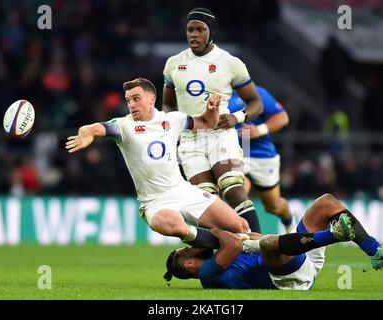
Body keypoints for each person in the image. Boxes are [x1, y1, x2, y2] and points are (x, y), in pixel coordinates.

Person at [66, 78, 250, 249]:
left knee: (240, 225)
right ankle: (227, 244)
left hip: (182, 191)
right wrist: (87, 133)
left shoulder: (173, 120)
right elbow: (96, 128)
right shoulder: (123, 126)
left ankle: (262, 258)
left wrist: (212, 109)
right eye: (128, 100)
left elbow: (206, 122)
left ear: (151, 99)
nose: (131, 104)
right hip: (155, 202)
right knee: (176, 224)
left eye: (136, 99)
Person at [164, 193, 383, 290]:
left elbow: (247, 230)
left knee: (326, 202)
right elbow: (235, 244)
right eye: (188, 250)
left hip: (297, 256)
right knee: (270, 243)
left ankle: (376, 253)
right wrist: (215, 229)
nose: (194, 246)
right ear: (187, 265)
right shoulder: (208, 274)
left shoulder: (215, 258)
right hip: (288, 279)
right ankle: (335, 235)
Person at [162, 7, 264, 232]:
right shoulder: (173, 64)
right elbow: (168, 104)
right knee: (206, 203)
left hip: (220, 135)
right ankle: (219, 258)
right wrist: (173, 124)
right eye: (190, 30)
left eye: (200, 29)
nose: (194, 34)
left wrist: (235, 118)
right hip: (190, 140)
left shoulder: (230, 62)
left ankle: (259, 248)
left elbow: (256, 103)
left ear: (211, 32)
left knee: (233, 189)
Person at [228, 85, 295, 232]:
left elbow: (282, 117)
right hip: (234, 155)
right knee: (239, 194)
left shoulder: (254, 92)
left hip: (261, 155)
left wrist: (259, 130)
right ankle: (248, 242)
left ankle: (290, 224)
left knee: (274, 206)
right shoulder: (212, 96)